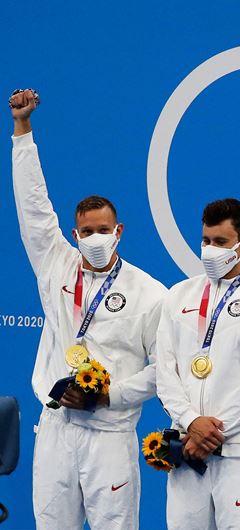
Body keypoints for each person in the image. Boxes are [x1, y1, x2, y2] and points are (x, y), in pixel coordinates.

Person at [10, 89, 167, 530]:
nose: (94, 238)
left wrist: (109, 395)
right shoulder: (54, 264)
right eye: (85, 232)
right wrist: (23, 131)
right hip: (57, 427)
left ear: (118, 231)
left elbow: (164, 369)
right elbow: (33, 208)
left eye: (103, 230)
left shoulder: (150, 293)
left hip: (111, 436)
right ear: (75, 234)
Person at [156, 198, 240, 530]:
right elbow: (165, 372)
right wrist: (191, 423)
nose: (210, 249)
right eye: (206, 240)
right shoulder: (178, 296)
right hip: (187, 448)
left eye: (220, 242)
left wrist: (213, 433)